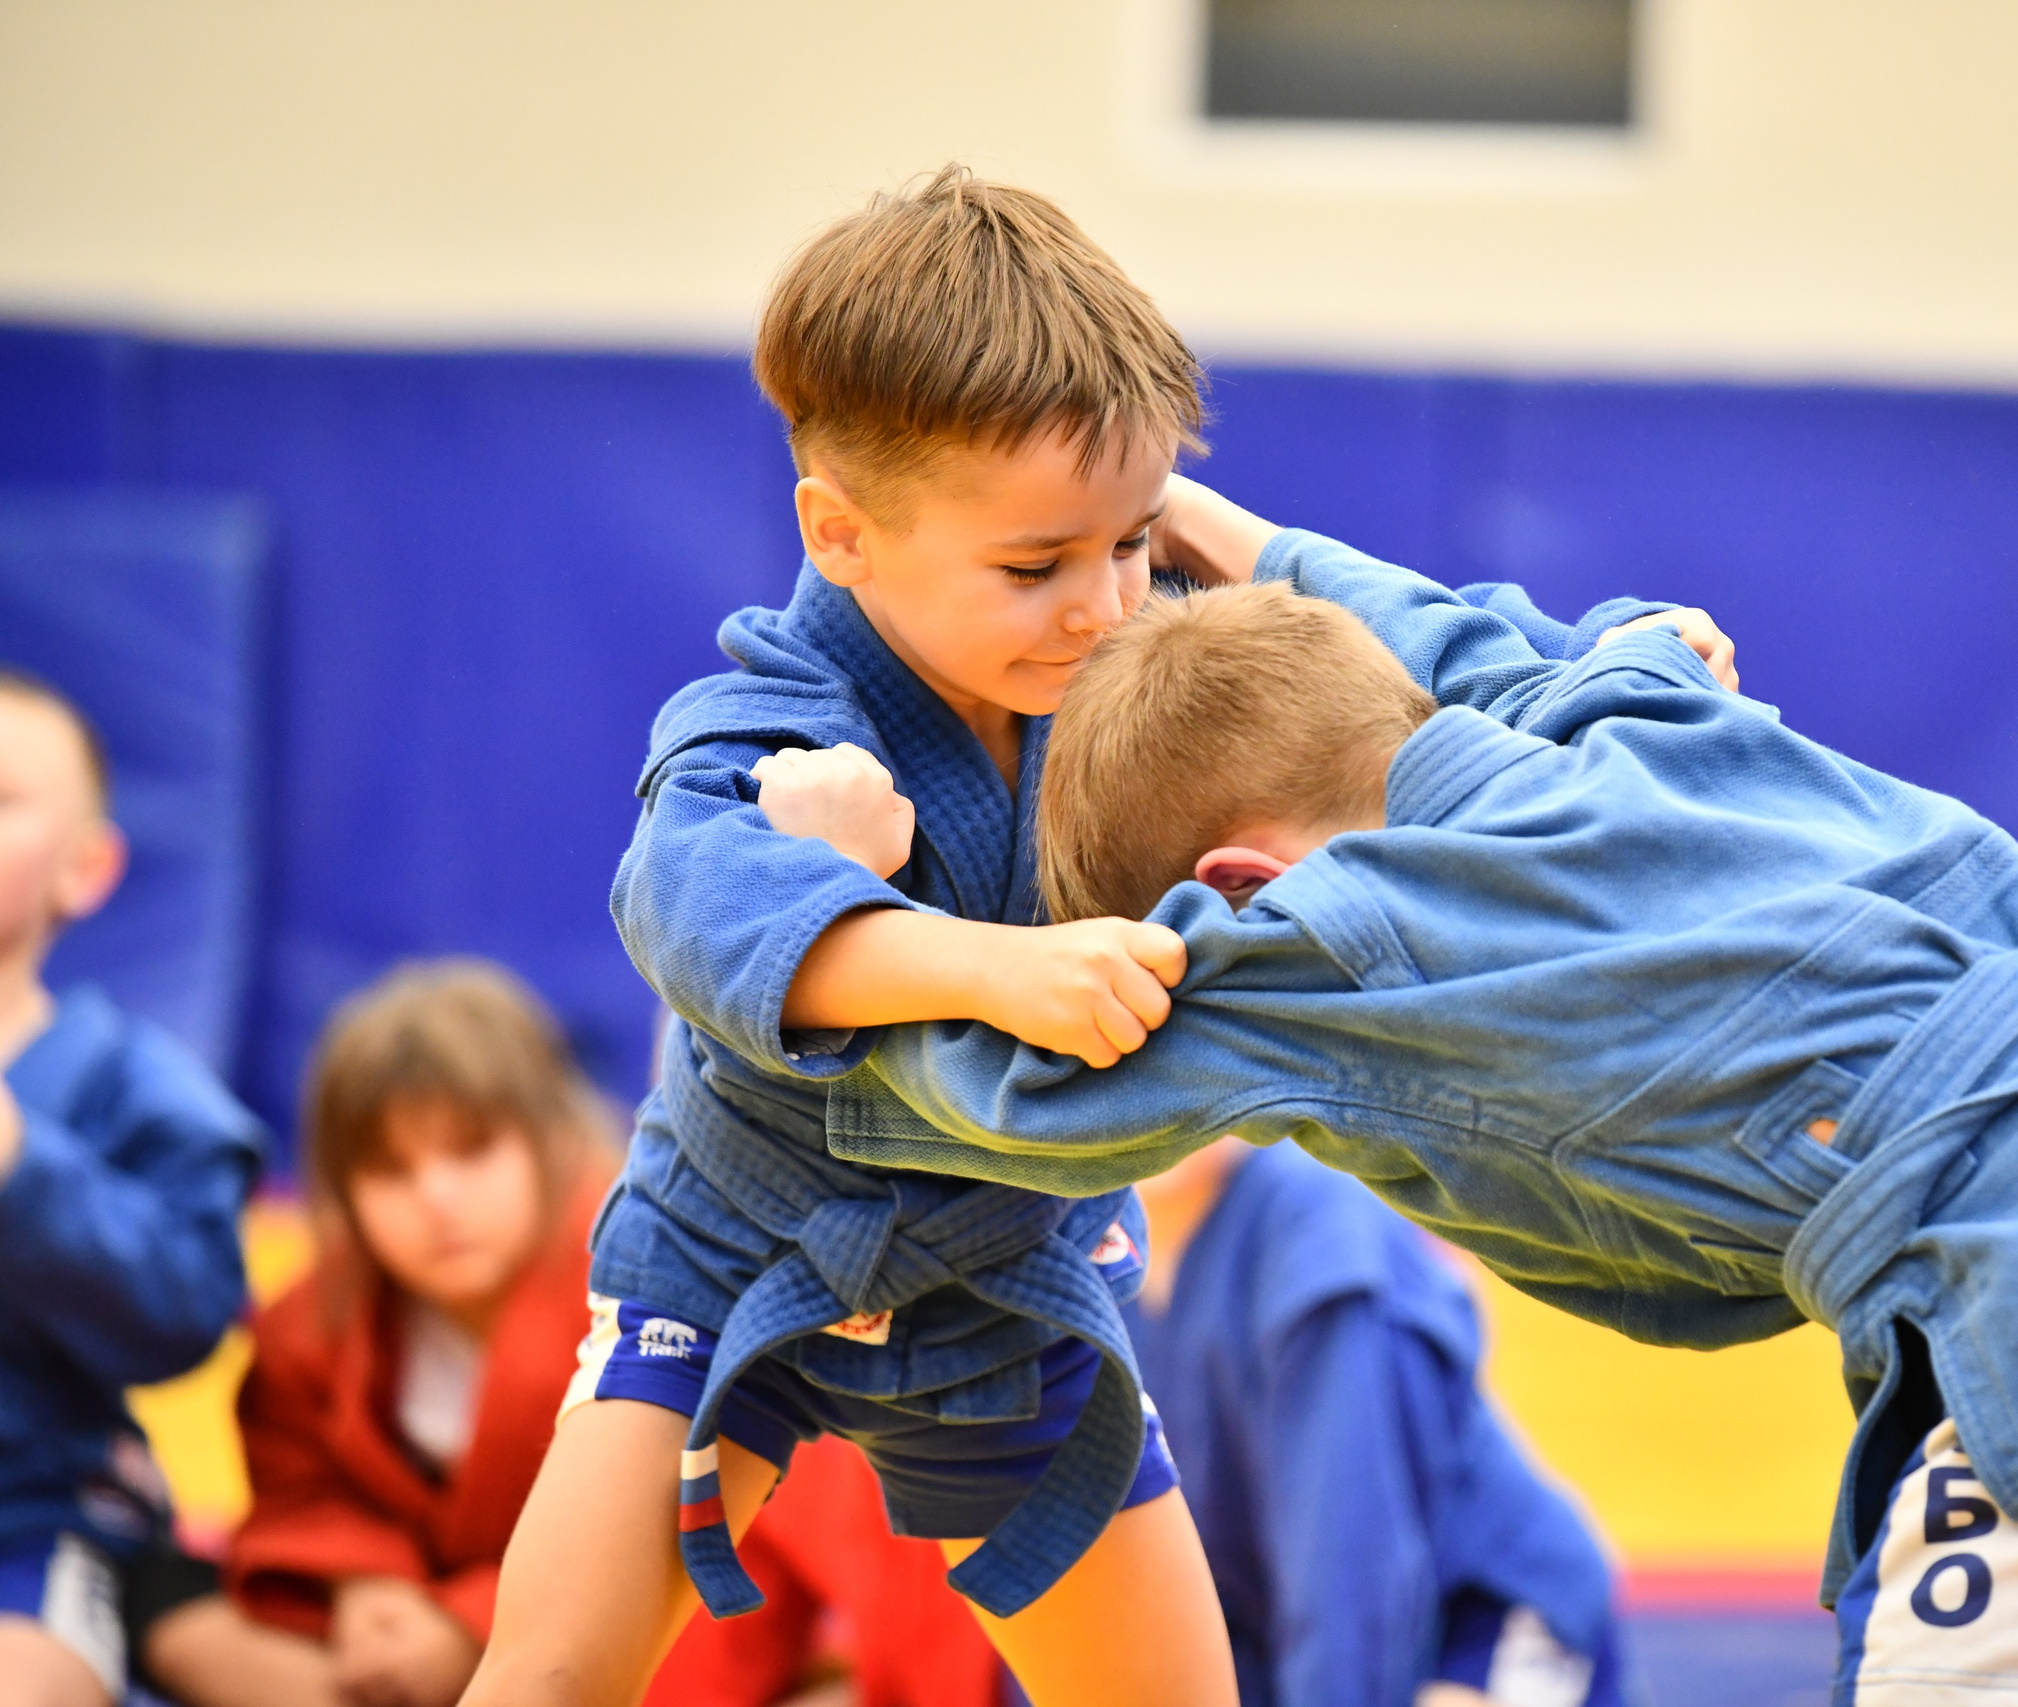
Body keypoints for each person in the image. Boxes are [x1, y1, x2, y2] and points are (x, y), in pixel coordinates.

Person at [463, 167, 1730, 1707]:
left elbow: (1362, 665)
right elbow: (697, 906)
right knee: (548, 1668)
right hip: (736, 1248)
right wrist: (985, 958)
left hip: (1005, 1277)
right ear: (841, 534)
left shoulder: (1141, 648)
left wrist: (1600, 666)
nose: (1100, 605)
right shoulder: (778, 724)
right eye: (1035, 566)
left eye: (1131, 542)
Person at [800, 568, 2018, 1707]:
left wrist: (828, 897)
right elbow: (1481, 629)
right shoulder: (1625, 717)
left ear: (1232, 890)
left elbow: (1001, 1087)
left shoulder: (1336, 930)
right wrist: (1207, 530)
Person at [139, 960, 1003, 1707]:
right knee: (182, 1624)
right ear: (340, 1191)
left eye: (471, 1152)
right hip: (402, 1640)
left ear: (548, 1141)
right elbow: (300, 1488)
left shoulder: (654, 1281)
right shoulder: (315, 1324)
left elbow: (687, 1518)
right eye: (392, 1170)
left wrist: (469, 1622)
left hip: (640, 1639)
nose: (436, 1199)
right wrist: (365, 1584)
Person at [1128, 1137, 1624, 1707]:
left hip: (1481, 1616)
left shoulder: (1318, 1228)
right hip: (1282, 1638)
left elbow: (1348, 1574)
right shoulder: (1094, 1244)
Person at [0, 670, 264, 1707]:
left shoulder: (127, 1082)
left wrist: (24, 1170)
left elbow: (187, 1309)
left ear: (86, 868)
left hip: (29, 1532)